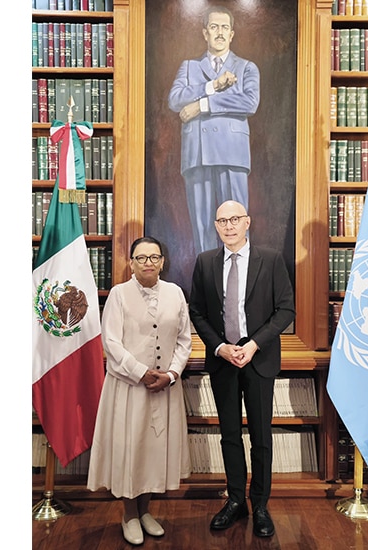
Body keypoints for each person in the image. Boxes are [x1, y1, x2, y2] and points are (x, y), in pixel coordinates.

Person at [188, 200, 295, 538]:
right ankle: (235, 501)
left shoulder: (271, 259)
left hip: (258, 359)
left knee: (261, 438)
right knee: (230, 436)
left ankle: (260, 505)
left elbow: (285, 310)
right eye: (222, 221)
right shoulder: (205, 262)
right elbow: (198, 312)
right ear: (216, 226)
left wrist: (253, 345)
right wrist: (220, 347)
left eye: (235, 219)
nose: (229, 226)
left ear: (247, 222)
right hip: (224, 361)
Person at [86, 237, 192, 546]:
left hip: (165, 387)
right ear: (131, 262)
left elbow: (184, 340)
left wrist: (172, 373)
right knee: (130, 449)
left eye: (154, 257)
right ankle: (129, 514)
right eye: (141, 257)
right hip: (130, 387)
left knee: (154, 452)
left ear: (162, 262)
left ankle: (145, 511)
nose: (148, 262)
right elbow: (112, 342)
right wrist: (141, 372)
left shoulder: (175, 293)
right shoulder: (119, 295)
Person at [168, 6, 260, 256]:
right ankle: (208, 288)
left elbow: (249, 103)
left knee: (236, 226)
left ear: (232, 34)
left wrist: (202, 105)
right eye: (214, 27)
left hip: (232, 155)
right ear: (204, 33)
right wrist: (211, 86)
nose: (219, 32)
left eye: (225, 27)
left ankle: (240, 285)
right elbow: (175, 100)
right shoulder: (188, 67)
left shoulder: (246, 68)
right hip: (197, 155)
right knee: (202, 226)